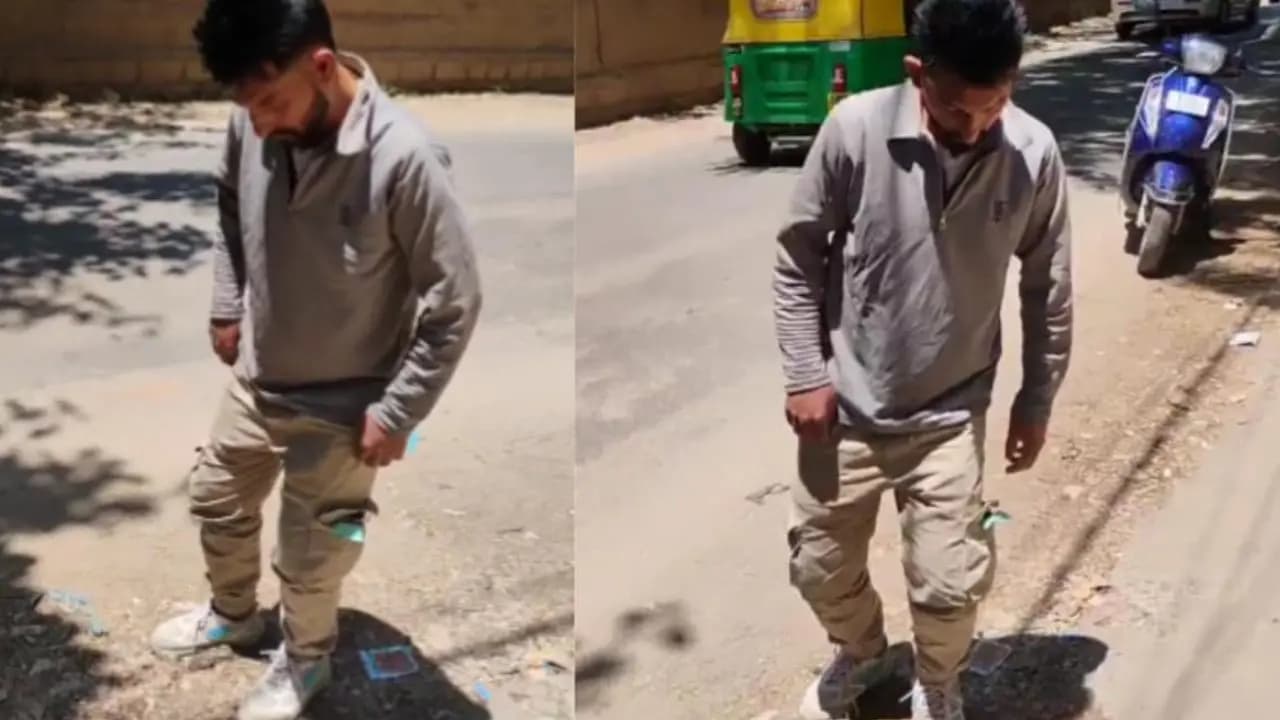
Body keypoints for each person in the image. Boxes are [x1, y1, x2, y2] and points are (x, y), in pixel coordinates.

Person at [147, 1, 482, 718]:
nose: (257, 123)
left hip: (345, 406)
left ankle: (306, 664)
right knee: (216, 499)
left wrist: (397, 414)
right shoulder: (254, 118)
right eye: (245, 106)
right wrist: (226, 301)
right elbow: (230, 199)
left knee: (313, 554)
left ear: (322, 66)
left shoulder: (407, 159)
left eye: (269, 102)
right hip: (257, 380)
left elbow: (455, 306)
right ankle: (233, 615)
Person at [772, 0, 1071, 718]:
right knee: (819, 567)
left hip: (950, 412)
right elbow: (797, 257)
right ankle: (864, 653)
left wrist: (1035, 401)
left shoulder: (1033, 153)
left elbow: (1047, 289)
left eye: (994, 105)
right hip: (844, 410)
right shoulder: (856, 129)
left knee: (949, 585)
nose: (974, 130)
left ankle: (940, 683)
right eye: (955, 111)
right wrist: (806, 374)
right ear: (917, 74)